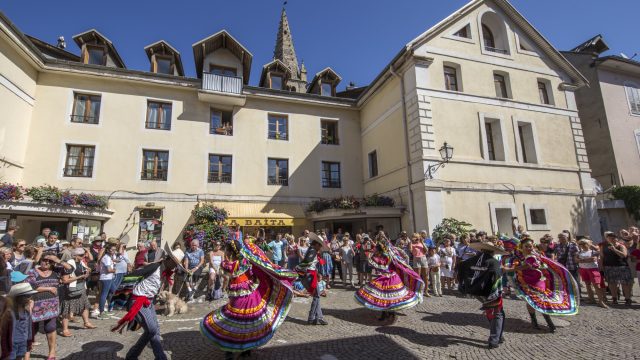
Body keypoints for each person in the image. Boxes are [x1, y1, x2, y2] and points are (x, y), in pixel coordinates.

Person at [200, 236, 297, 359]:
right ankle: (246, 348)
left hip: (237, 296)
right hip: (250, 293)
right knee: (248, 321)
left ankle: (230, 349)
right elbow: (256, 268)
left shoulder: (228, 264)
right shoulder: (246, 261)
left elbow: (223, 271)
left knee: (234, 321)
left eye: (227, 250)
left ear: (229, 252)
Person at [112, 246, 184, 360]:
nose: (175, 267)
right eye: (175, 263)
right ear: (169, 259)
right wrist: (121, 294)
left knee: (154, 330)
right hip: (138, 301)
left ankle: (138, 356)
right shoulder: (155, 266)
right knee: (152, 329)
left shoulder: (165, 271)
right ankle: (148, 356)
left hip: (148, 302)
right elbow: (133, 275)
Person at [512, 238, 579, 333]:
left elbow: (533, 265)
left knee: (542, 300)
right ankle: (534, 321)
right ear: (521, 247)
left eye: (530, 246)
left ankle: (549, 322)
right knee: (530, 301)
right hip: (526, 282)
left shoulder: (537, 256)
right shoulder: (518, 257)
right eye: (526, 246)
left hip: (538, 282)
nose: (528, 248)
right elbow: (518, 267)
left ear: (533, 246)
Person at [355, 235, 424, 321]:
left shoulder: (384, 257)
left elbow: (380, 266)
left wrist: (370, 257)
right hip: (391, 277)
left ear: (379, 249)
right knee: (386, 297)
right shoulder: (388, 255)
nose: (374, 249)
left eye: (376, 248)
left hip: (389, 278)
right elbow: (404, 256)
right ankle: (388, 314)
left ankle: (388, 314)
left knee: (386, 297)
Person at [457, 241, 506, 349]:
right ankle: (494, 339)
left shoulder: (470, 260)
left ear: (481, 250)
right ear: (493, 251)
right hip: (489, 291)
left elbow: (460, 266)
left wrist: (463, 284)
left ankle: (499, 335)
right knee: (498, 313)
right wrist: (497, 292)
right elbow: (497, 278)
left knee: (492, 310)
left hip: (475, 291)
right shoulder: (494, 262)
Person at [26, 252, 72, 360]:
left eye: (49, 261)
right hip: (35, 305)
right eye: (44, 260)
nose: (46, 263)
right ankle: (27, 351)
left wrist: (58, 260)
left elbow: (70, 269)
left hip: (51, 305)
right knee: (32, 329)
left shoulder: (56, 271)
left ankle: (52, 353)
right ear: (40, 260)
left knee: (50, 328)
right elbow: (30, 286)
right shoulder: (32, 272)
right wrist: (48, 288)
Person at [60, 248, 96, 337]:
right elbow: (65, 280)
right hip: (71, 289)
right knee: (67, 309)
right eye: (81, 255)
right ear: (75, 255)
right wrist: (79, 277)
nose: (83, 256)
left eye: (83, 254)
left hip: (81, 287)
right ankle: (65, 329)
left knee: (85, 305)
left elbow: (88, 268)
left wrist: (88, 271)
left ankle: (86, 322)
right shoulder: (69, 264)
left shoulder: (81, 262)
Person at [296, 233, 328, 326]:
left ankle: (319, 317)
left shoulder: (312, 250)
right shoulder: (312, 251)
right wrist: (298, 270)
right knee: (316, 295)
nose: (320, 247)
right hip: (309, 275)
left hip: (309, 275)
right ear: (317, 244)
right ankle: (311, 318)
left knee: (316, 295)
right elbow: (306, 262)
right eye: (320, 245)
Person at [2, 283, 37, 360]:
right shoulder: (9, 313)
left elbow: (29, 328)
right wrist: (5, 350)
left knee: (19, 357)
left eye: (30, 296)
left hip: (23, 342)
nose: (30, 298)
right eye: (27, 296)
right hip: (11, 345)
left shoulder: (27, 311)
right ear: (18, 297)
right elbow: (4, 333)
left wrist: (30, 341)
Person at [601, 232, 633, 305]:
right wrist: (601, 267)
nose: (611, 240)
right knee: (612, 283)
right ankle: (614, 298)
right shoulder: (604, 246)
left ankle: (627, 299)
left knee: (625, 283)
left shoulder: (621, 246)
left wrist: (614, 249)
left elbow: (624, 255)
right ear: (607, 239)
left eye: (613, 238)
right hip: (609, 267)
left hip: (622, 267)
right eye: (609, 238)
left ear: (616, 239)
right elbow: (602, 257)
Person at [575, 238, 607, 308]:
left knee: (597, 285)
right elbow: (576, 260)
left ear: (588, 244)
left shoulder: (593, 251)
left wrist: (582, 260)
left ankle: (601, 301)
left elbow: (593, 259)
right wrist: (586, 260)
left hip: (593, 269)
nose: (582, 245)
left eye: (583, 244)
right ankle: (591, 299)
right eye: (580, 244)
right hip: (583, 269)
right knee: (588, 284)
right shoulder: (579, 252)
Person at [110, 240, 131, 312]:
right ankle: (111, 303)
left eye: (124, 247)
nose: (124, 248)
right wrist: (121, 246)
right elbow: (119, 253)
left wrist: (129, 266)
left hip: (124, 271)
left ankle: (120, 303)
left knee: (122, 288)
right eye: (122, 246)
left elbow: (127, 260)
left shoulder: (125, 252)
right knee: (115, 288)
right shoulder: (115, 252)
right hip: (118, 272)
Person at [97, 243, 116, 320]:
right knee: (104, 294)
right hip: (105, 278)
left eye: (115, 249)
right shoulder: (106, 257)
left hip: (110, 278)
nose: (114, 251)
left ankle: (107, 309)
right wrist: (114, 270)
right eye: (113, 250)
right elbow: (109, 270)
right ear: (108, 250)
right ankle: (101, 312)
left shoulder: (109, 257)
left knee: (113, 290)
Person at [410, 233, 429, 297]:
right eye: (414, 237)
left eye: (417, 237)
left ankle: (426, 291)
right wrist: (411, 242)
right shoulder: (411, 243)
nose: (416, 238)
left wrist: (422, 242)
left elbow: (426, 251)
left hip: (423, 258)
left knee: (425, 276)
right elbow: (410, 250)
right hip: (416, 259)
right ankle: (418, 291)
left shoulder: (421, 243)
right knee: (417, 276)